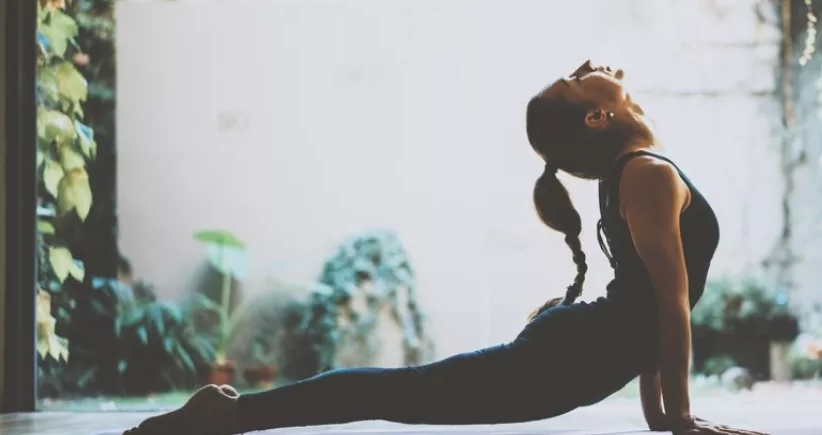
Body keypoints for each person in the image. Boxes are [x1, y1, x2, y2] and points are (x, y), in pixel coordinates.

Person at [125, 60, 766, 435]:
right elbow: (667, 304)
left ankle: (228, 415)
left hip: (577, 354)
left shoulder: (635, 172)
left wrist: (662, 416)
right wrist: (676, 415)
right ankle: (224, 416)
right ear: (597, 117)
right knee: (393, 392)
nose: (596, 69)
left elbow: (652, 306)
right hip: (568, 359)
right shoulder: (646, 173)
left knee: (398, 393)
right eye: (579, 80)